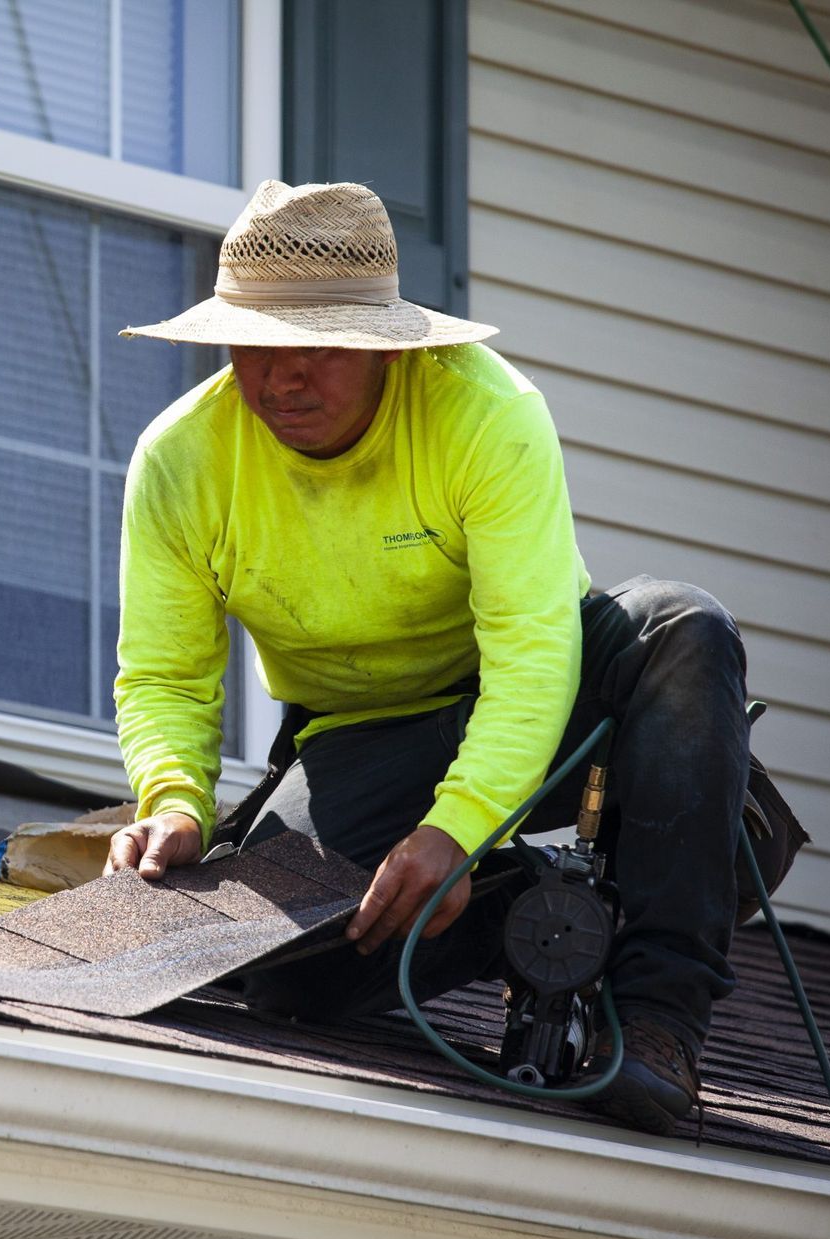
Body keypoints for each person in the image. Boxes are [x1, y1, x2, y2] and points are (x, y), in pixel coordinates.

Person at [103, 179, 759, 1135]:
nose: (280, 380)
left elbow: (536, 658)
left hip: (561, 697)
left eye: (315, 348)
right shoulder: (179, 461)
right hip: (364, 734)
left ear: (384, 345)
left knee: (686, 629)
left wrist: (457, 828)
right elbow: (164, 675)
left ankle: (656, 1020)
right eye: (254, 345)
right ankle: (527, 906)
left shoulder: (486, 414)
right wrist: (174, 801)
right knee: (281, 981)